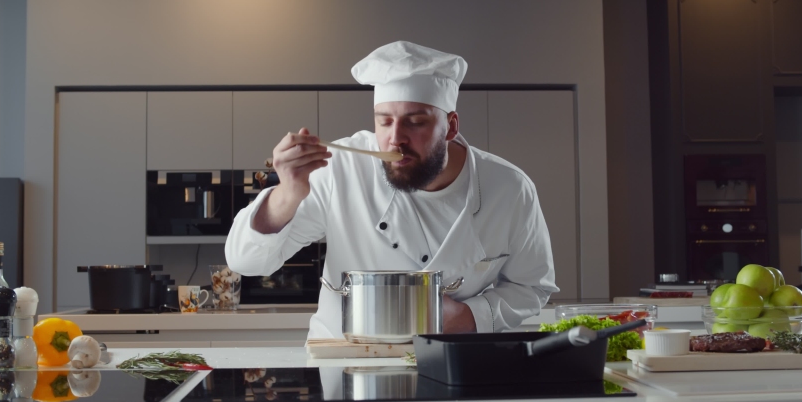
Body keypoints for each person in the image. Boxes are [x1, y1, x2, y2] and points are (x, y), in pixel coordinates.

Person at [225, 41, 558, 339]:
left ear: (451, 126)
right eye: (384, 121)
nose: (396, 138)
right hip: (343, 367)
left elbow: (532, 287)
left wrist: (471, 317)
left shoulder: (509, 188)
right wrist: (288, 193)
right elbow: (247, 261)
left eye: (415, 122)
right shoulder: (338, 168)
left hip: (450, 366)